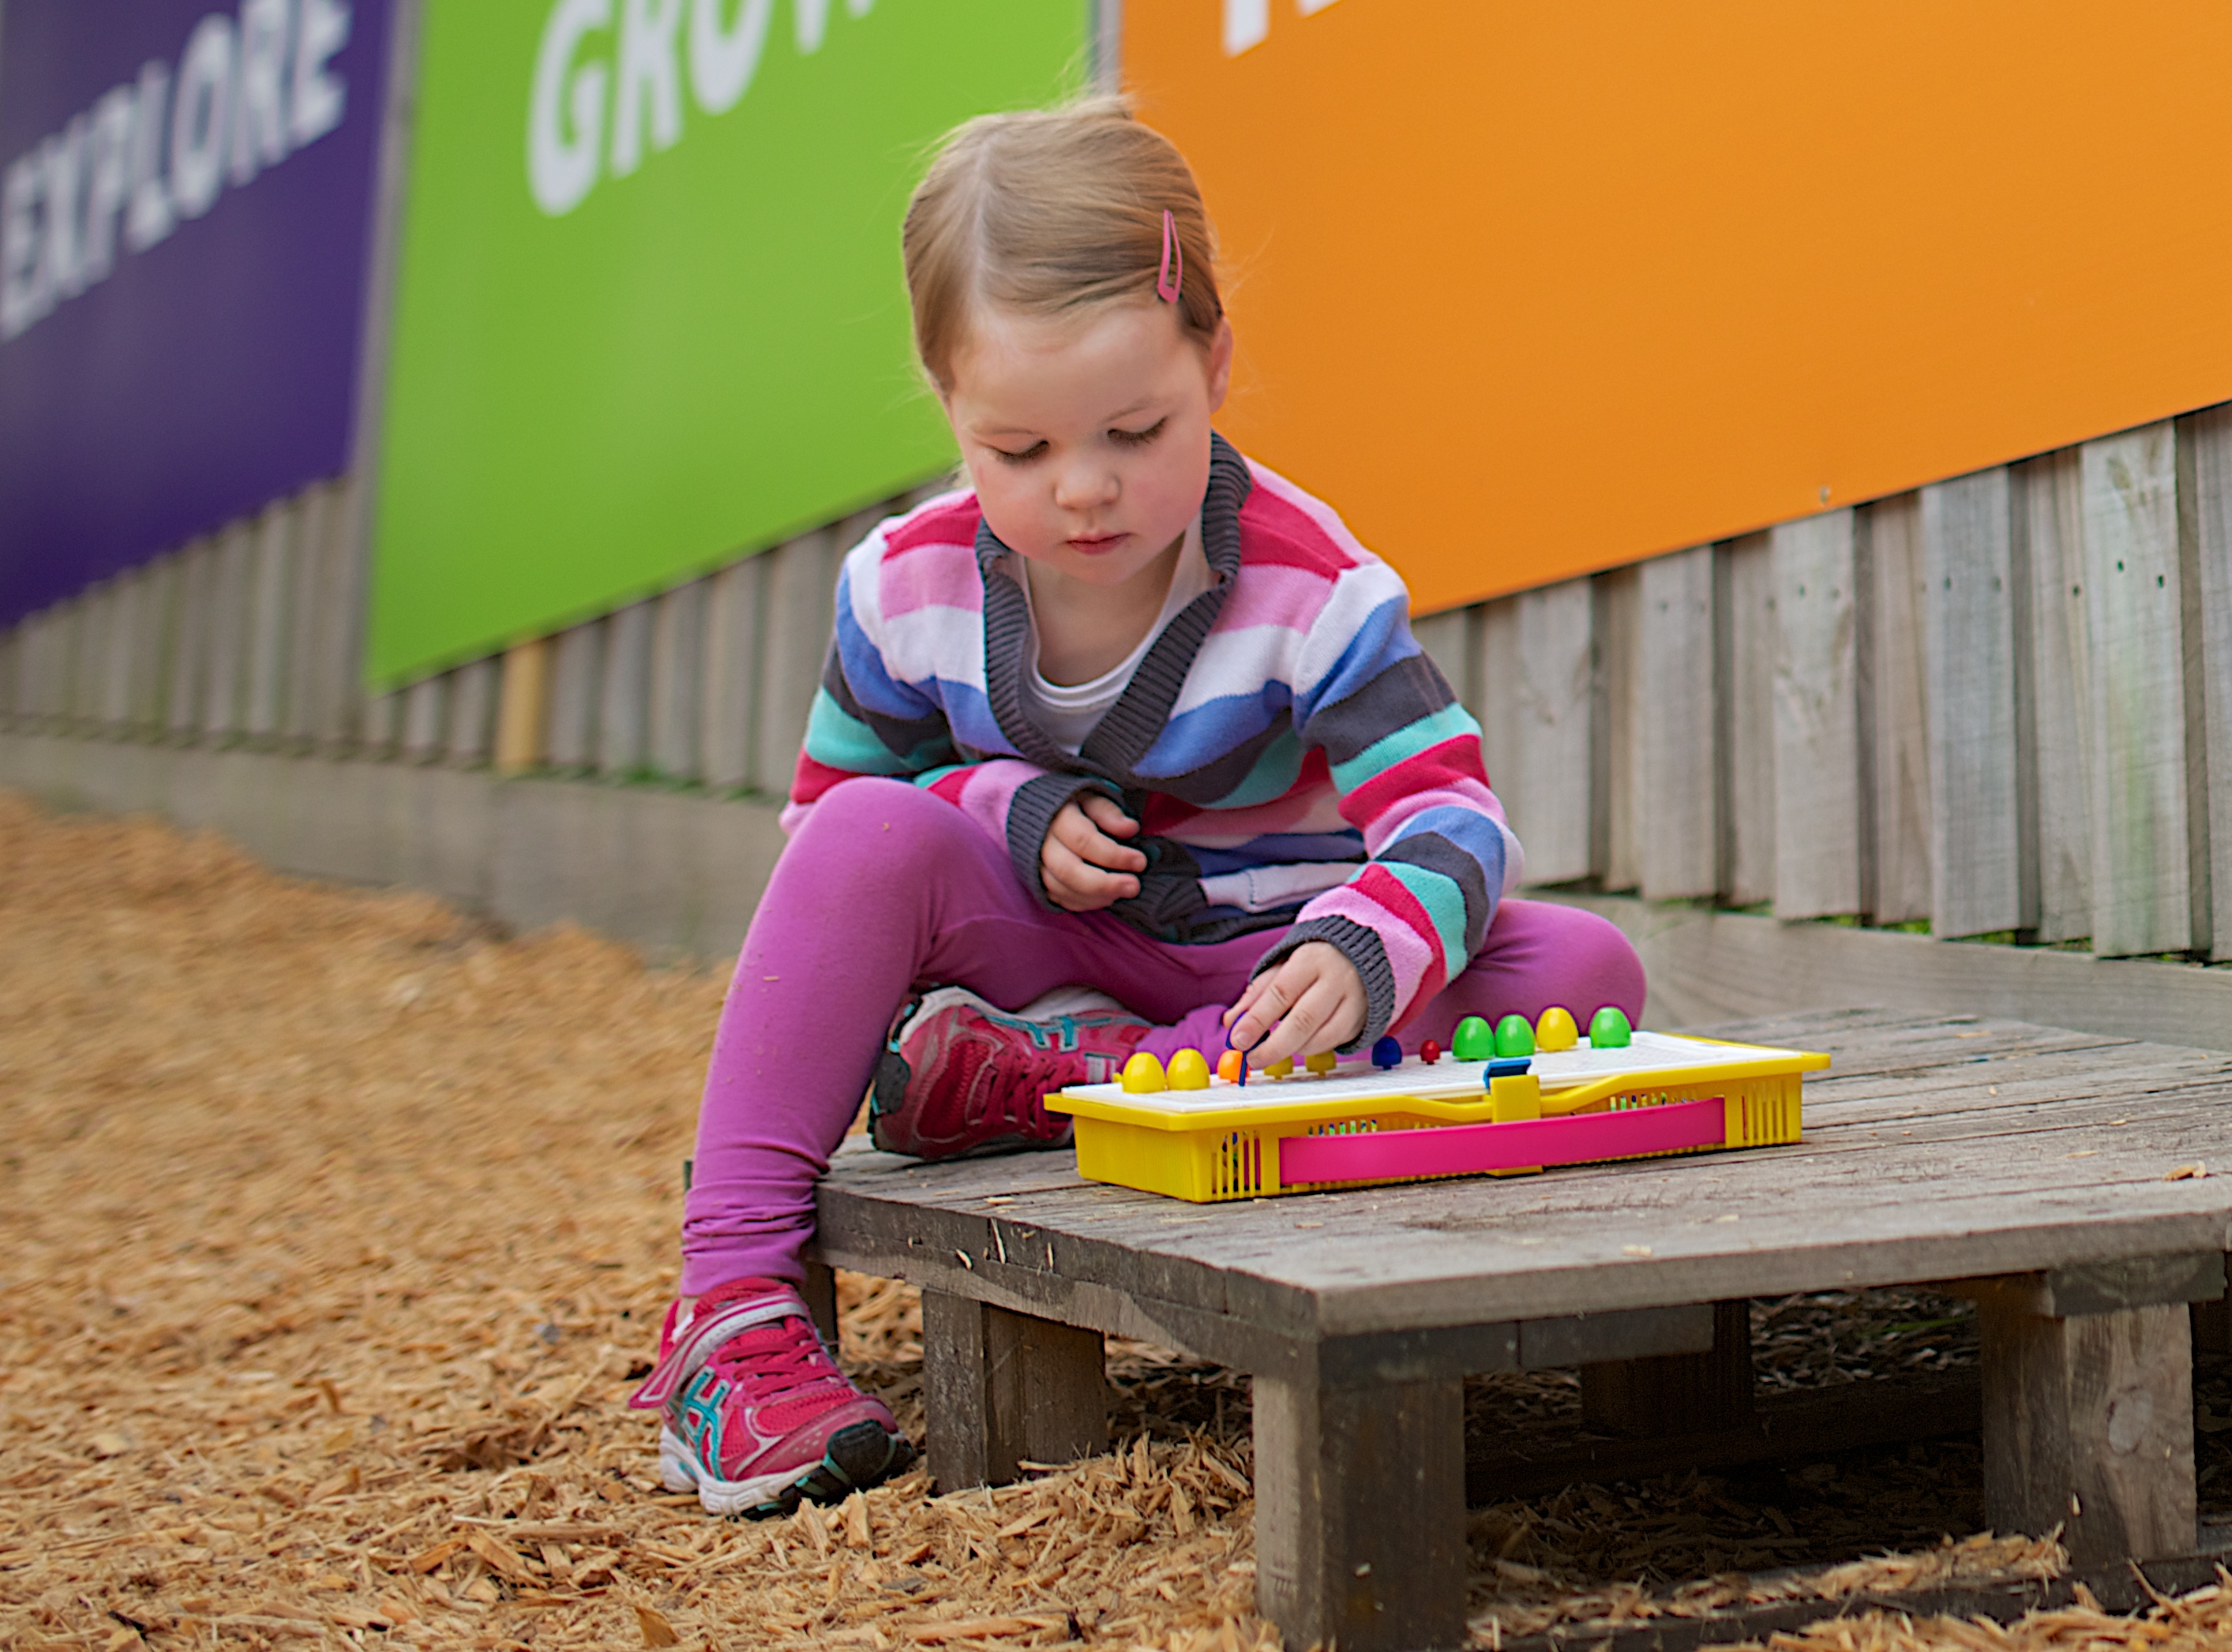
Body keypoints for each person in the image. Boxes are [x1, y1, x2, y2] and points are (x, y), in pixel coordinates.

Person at [628, 99, 1645, 1514]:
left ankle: (1074, 1075)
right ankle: (729, 1305)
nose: (1085, 488)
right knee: (874, 836)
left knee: (1586, 963)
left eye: (1132, 428)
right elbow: (832, 827)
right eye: (1020, 451)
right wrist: (999, 800)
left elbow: (1452, 817)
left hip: (1259, 981)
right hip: (1046, 946)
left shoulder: (1309, 584)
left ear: (1213, 361)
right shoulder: (904, 587)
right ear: (947, 408)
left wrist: (1357, 948)